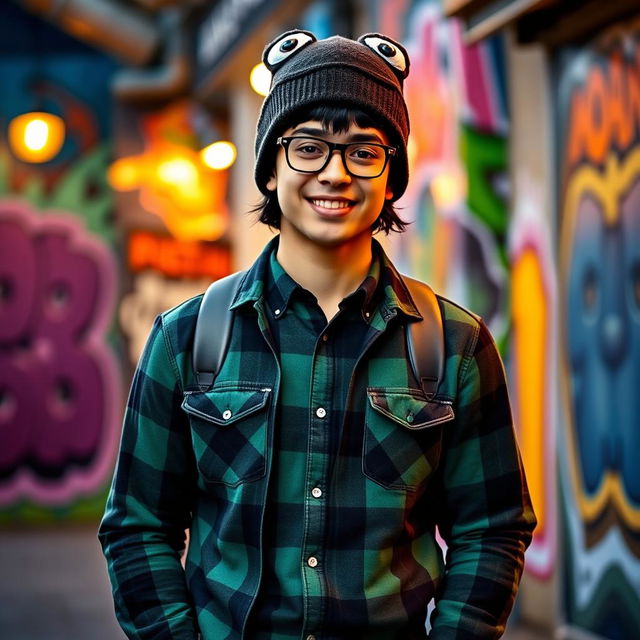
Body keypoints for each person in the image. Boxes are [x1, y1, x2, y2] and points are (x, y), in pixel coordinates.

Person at [99, 30, 536, 640]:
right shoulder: (188, 337)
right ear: (270, 169)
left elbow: (492, 528)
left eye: (364, 151)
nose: (335, 173)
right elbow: (137, 526)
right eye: (308, 147)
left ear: (391, 176)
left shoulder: (455, 345)